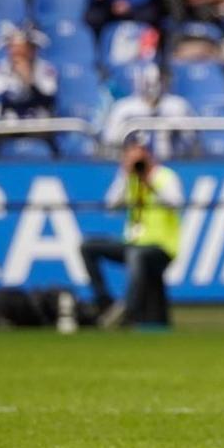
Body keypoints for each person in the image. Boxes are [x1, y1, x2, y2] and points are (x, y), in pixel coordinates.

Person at [80, 137, 183, 329]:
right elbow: (111, 206)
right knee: (88, 246)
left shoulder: (165, 177)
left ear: (149, 155)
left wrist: (149, 182)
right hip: (133, 242)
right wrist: (124, 175)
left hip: (161, 247)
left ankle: (128, 312)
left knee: (136, 256)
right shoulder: (129, 178)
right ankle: (106, 303)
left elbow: (175, 203)